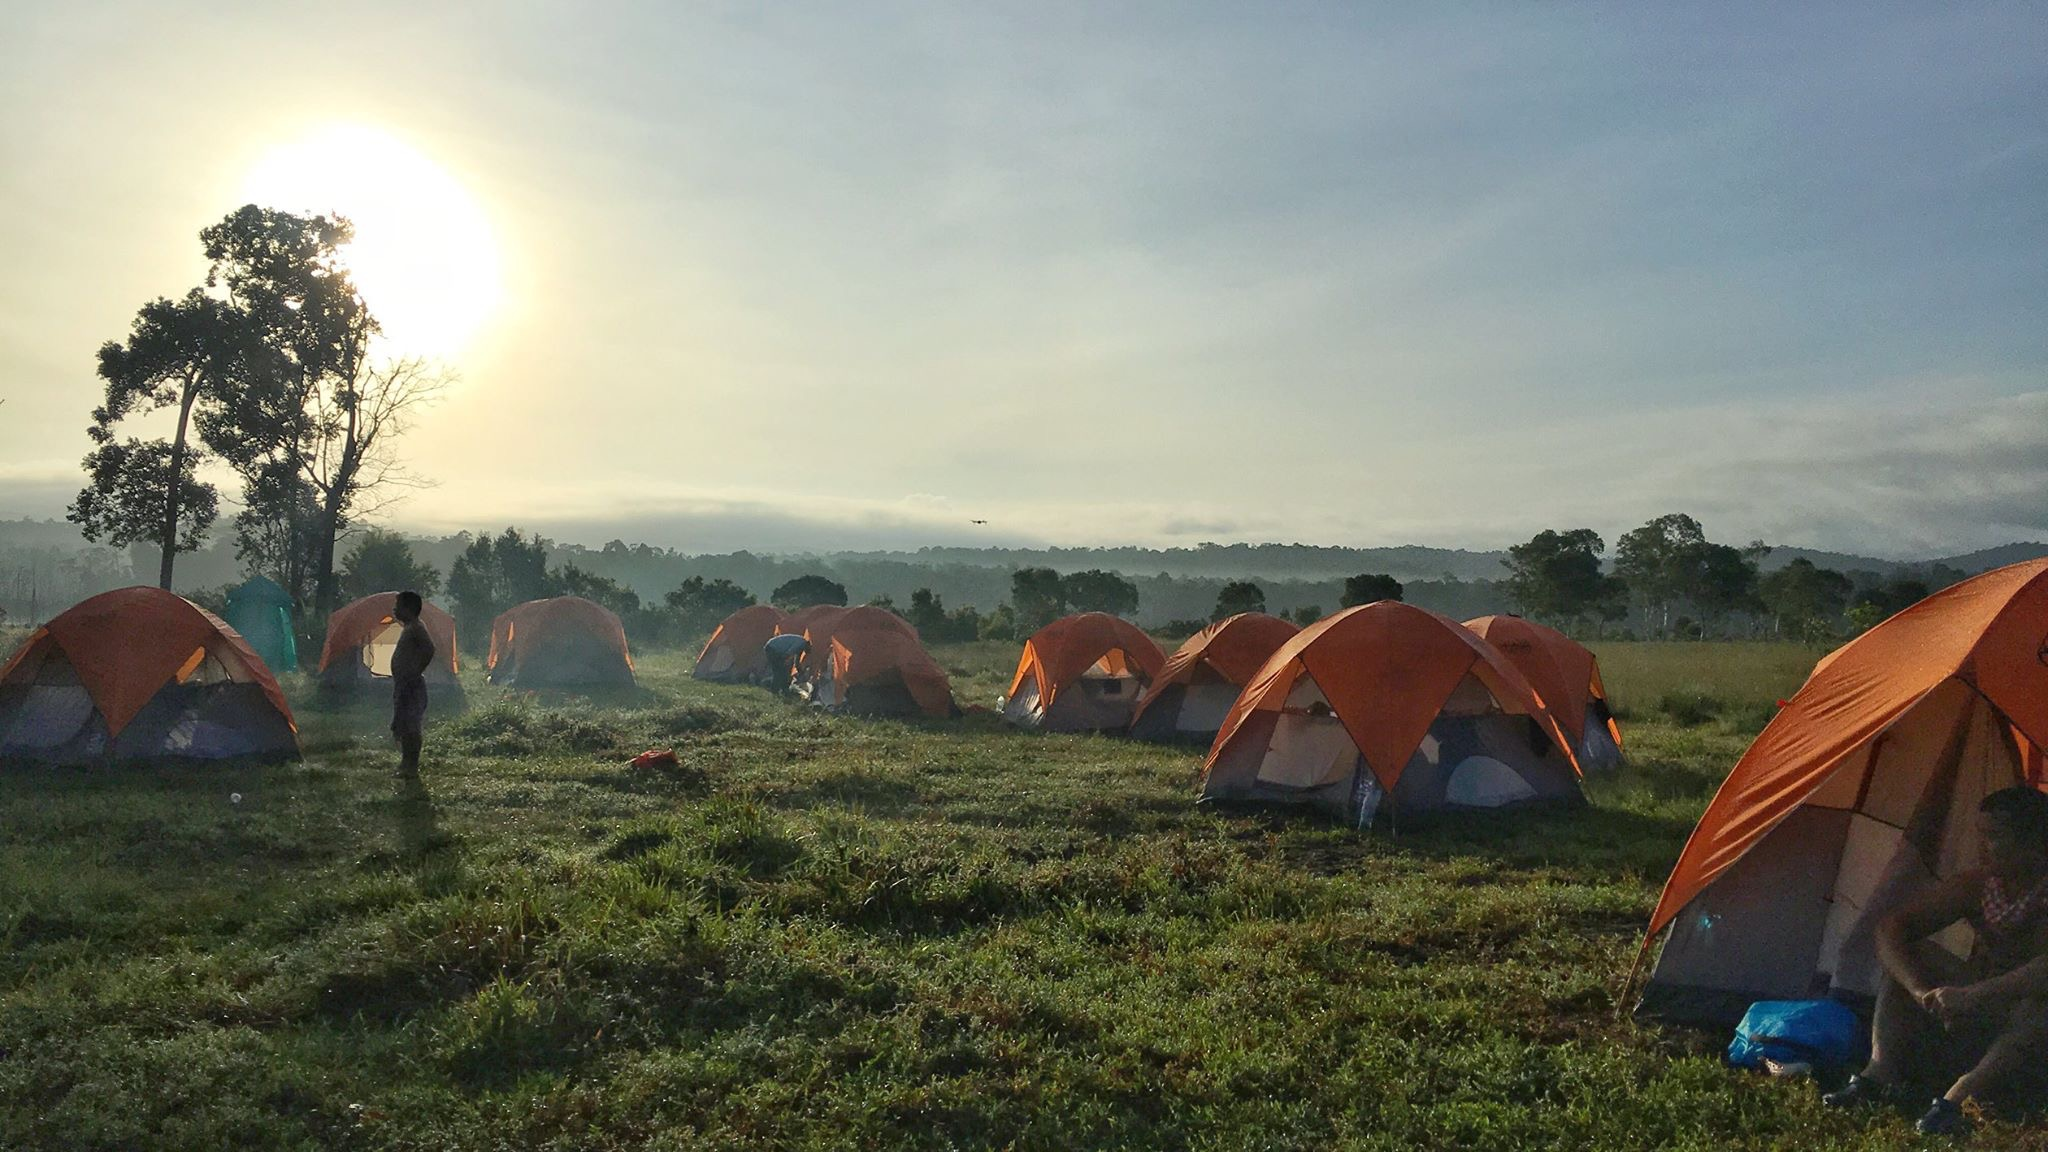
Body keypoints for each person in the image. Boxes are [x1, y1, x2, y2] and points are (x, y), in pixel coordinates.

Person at [1823, 785, 2048, 1134]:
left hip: (2029, 1024)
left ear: (2033, 842)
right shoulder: (1980, 885)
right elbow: (1892, 928)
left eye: (1994, 837)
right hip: (1985, 1006)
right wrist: (1921, 992)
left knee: (2040, 1004)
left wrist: (1976, 996)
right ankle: (1879, 1075)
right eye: (1980, 836)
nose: (1982, 848)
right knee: (1914, 955)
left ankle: (1960, 1097)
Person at [389, 590, 435, 779]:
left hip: (412, 685)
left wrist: (415, 670)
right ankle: (405, 764)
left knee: (411, 726)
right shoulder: (409, 627)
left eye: (398, 606)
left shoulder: (416, 627)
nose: (394, 610)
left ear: (408, 609)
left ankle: (411, 766)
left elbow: (429, 648)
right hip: (404, 684)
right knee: (403, 723)